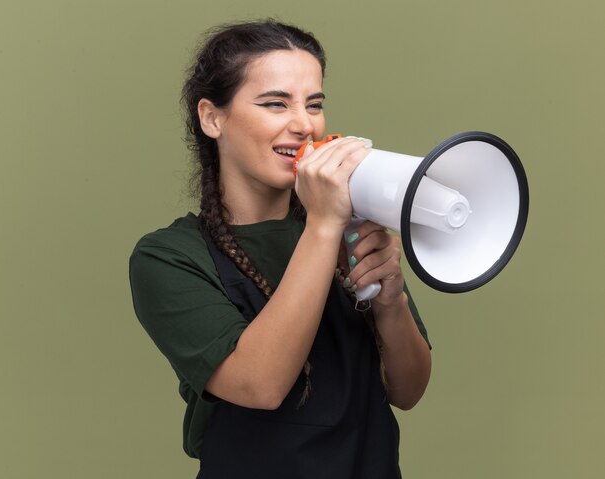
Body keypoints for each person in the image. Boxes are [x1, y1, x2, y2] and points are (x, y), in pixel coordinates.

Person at [129, 20, 432, 479]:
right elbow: (260, 385)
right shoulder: (168, 257)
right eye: (275, 104)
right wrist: (324, 225)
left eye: (314, 104)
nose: (303, 124)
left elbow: (407, 391)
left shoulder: (347, 229)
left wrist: (391, 300)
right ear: (212, 117)